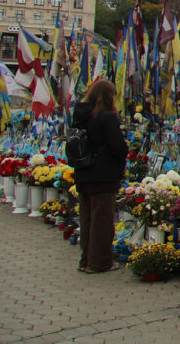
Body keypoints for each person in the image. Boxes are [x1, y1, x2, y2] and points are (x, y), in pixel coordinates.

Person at [72, 79, 127, 273]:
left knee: (87, 220)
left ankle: (86, 259)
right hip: (103, 175)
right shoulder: (106, 117)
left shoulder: (80, 115)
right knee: (102, 221)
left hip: (83, 174)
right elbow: (118, 146)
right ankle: (99, 262)